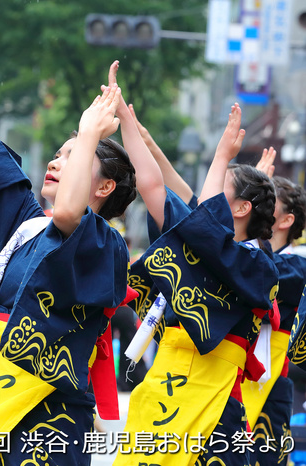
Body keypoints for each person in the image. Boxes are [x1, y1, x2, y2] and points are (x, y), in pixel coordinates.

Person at [0, 2, 140, 463]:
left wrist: (90, 132)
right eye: (58, 153)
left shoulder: (105, 241)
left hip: (46, 410)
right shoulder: (25, 222)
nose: (58, 161)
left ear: (104, 185)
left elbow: (68, 217)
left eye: (75, 155)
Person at [117, 104, 279, 466]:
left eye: (219, 187)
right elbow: (152, 185)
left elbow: (207, 226)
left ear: (241, 210)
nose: (205, 202)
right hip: (162, 387)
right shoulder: (194, 241)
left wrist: (223, 154)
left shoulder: (259, 266)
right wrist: (126, 120)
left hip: (215, 405)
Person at [248, 154, 306, 465]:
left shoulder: (297, 266)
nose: (258, 206)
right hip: (234, 376)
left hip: (271, 381)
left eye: (268, 202)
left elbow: (256, 271)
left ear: (285, 220)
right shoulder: (245, 253)